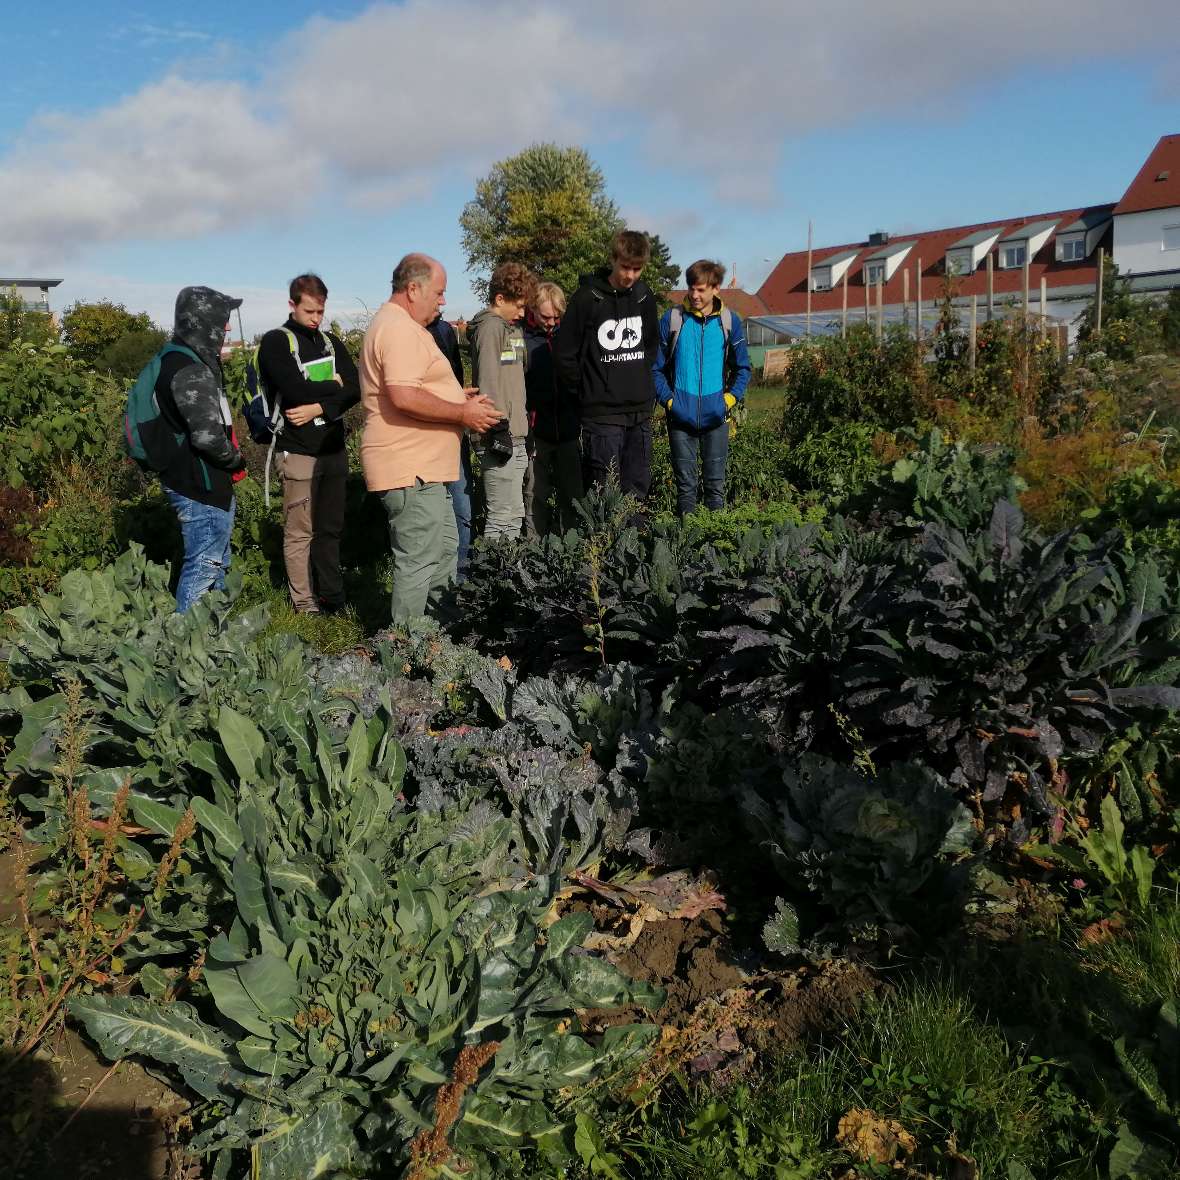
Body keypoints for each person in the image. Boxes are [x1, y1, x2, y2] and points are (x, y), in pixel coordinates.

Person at [359, 253, 500, 622]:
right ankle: (403, 653)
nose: (442, 301)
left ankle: (438, 640)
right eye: (438, 293)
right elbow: (403, 396)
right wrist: (461, 413)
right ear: (412, 288)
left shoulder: (401, 326)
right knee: (420, 559)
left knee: (444, 549)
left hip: (424, 469)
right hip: (409, 468)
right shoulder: (397, 328)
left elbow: (410, 388)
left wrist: (457, 398)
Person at [257, 274, 360, 614]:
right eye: (310, 311)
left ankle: (333, 595)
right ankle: (304, 603)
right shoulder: (276, 341)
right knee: (300, 533)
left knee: (330, 529)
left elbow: (356, 388)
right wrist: (334, 383)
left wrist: (319, 406)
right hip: (298, 452)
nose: (317, 318)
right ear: (292, 305)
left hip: (333, 450)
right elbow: (294, 389)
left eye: (321, 311)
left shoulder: (329, 341)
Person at [157, 285, 246, 612]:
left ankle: (213, 637)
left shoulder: (182, 358)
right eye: (222, 319)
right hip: (199, 484)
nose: (227, 327)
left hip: (198, 480)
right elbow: (207, 437)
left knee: (216, 561)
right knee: (205, 564)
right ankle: (185, 646)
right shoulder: (190, 368)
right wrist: (236, 458)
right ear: (202, 321)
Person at [553, 230, 660, 499]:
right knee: (605, 495)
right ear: (613, 259)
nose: (630, 276)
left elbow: (650, 345)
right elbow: (565, 355)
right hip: (601, 418)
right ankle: (605, 542)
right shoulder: (588, 298)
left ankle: (633, 542)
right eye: (625, 267)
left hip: (639, 414)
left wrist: (639, 382)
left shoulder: (644, 296)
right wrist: (587, 392)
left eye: (637, 269)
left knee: (637, 493)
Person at [653, 259, 752, 515]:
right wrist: (670, 402)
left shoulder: (729, 322)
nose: (694, 295)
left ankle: (714, 551)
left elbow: (743, 368)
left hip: (716, 418)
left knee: (715, 490)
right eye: (691, 288)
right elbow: (656, 368)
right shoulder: (673, 319)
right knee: (685, 491)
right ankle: (685, 550)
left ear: (716, 289)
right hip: (680, 419)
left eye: (701, 289)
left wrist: (728, 401)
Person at [467, 262, 534, 540]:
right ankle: (492, 580)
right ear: (499, 299)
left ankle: (511, 576)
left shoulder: (510, 330)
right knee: (500, 516)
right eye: (518, 306)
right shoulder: (490, 329)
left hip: (516, 434)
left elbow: (518, 376)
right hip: (498, 435)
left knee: (515, 513)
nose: (521, 312)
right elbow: (489, 383)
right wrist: (498, 429)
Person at [523, 281, 582, 534]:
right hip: (537, 433)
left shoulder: (569, 336)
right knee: (535, 497)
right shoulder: (518, 339)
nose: (552, 322)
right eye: (546, 316)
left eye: (557, 317)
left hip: (569, 430)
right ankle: (535, 553)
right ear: (533, 310)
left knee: (573, 497)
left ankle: (571, 552)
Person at [426, 310, 475, 581]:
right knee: (434, 512)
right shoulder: (408, 334)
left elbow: (454, 376)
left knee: (462, 505)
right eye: (436, 294)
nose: (441, 302)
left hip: (454, 428)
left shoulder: (445, 330)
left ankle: (462, 576)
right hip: (426, 435)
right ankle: (438, 579)